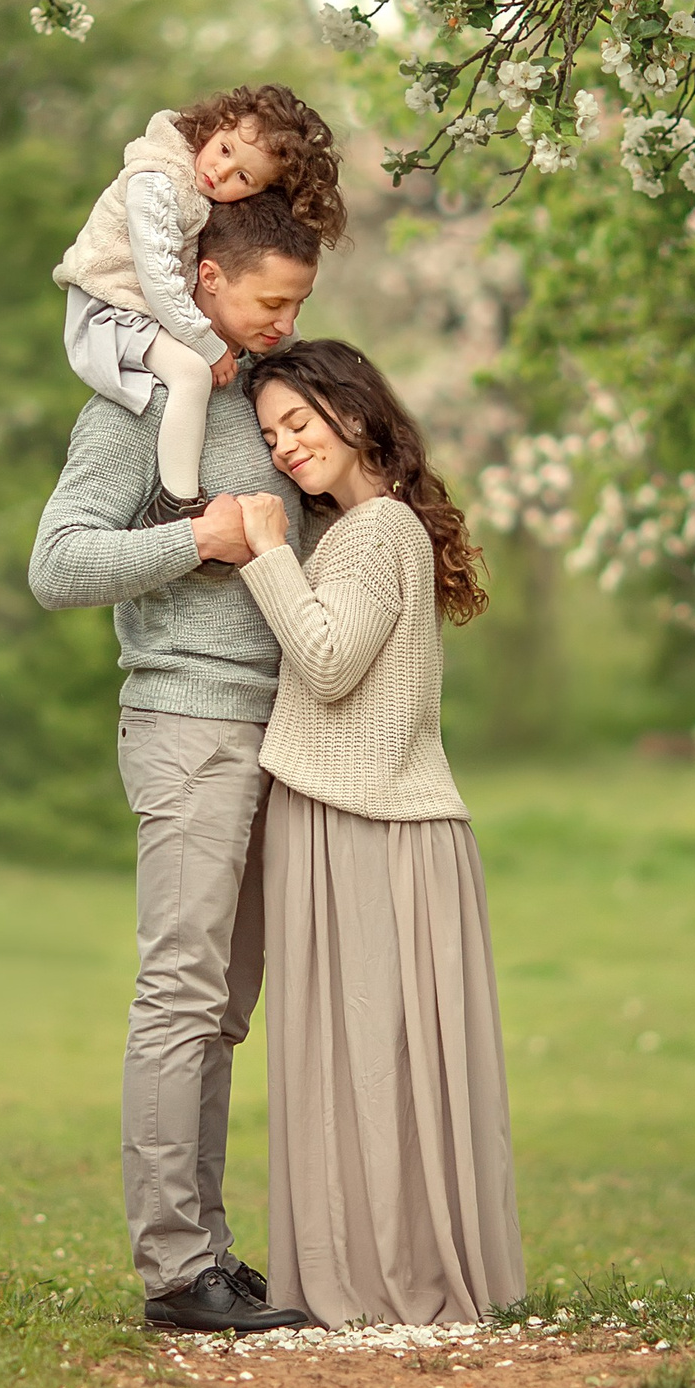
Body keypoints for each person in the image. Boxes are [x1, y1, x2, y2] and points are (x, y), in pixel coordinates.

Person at [29, 190, 324, 1334]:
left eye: (299, 303)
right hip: (186, 726)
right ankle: (173, 1269)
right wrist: (195, 538)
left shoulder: (268, 399)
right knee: (181, 993)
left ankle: (206, 1253)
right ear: (202, 279)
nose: (284, 322)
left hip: (282, 733)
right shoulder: (138, 403)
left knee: (224, 1010)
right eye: (268, 300)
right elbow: (57, 564)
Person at [236, 339, 525, 1329]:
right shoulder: (373, 531)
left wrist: (265, 547)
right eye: (269, 434)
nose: (281, 448)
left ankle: (373, 1280)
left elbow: (323, 660)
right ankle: (369, 1271)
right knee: (371, 1065)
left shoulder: (370, 530)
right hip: (366, 816)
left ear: (353, 413)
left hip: (368, 822)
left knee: (365, 1063)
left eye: (297, 423)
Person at [51, 85, 345, 528]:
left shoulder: (200, 188)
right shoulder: (155, 181)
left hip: (150, 307)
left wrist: (318, 372)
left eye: (244, 178)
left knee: (261, 351)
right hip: (109, 309)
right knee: (190, 374)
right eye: (224, 150)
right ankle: (179, 500)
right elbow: (158, 280)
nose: (222, 172)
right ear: (217, 125)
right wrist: (208, 347)